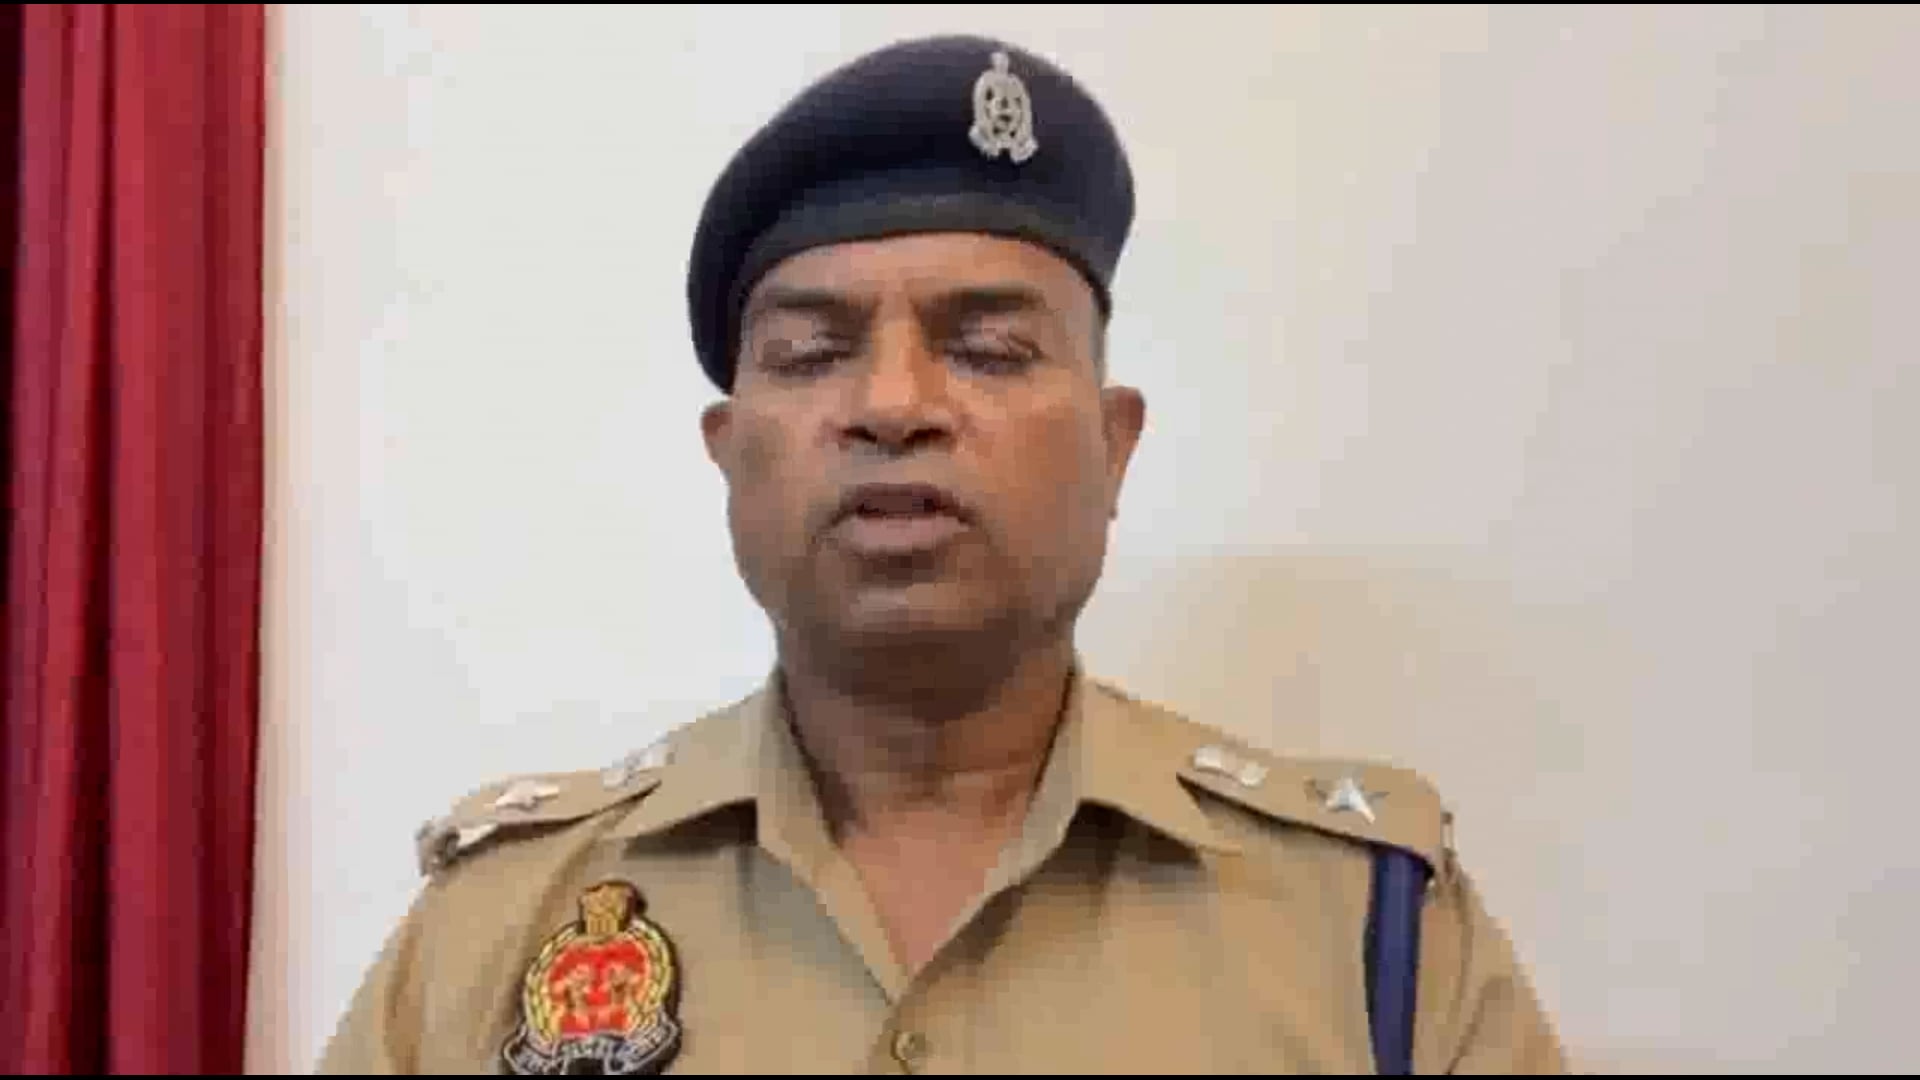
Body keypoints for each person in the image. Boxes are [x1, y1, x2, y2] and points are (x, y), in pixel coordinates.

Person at [318, 33, 1567, 1075]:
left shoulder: (1369, 935)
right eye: (813, 353)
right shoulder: (494, 928)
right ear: (729, 455)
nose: (894, 403)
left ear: (1115, 447)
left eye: (990, 349)